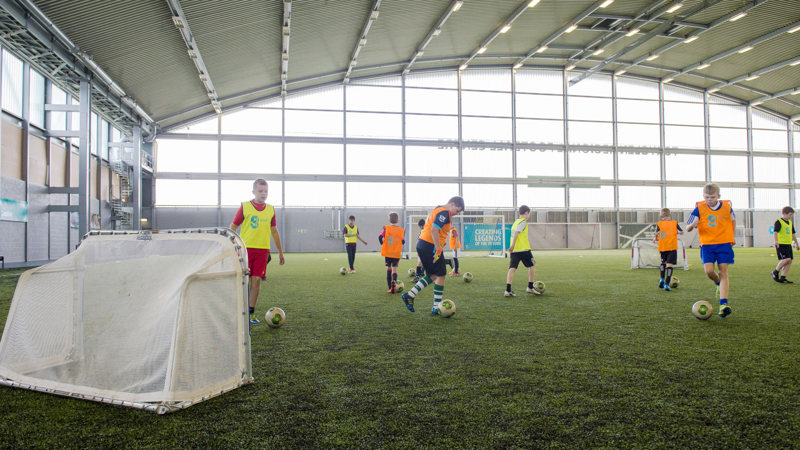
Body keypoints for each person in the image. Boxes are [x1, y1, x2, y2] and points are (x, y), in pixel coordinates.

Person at [230, 178, 285, 324]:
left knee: (256, 280)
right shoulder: (245, 207)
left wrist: (280, 251)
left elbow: (274, 231)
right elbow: (233, 227)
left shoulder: (270, 209)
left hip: (262, 251)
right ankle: (238, 311)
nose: (263, 193)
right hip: (245, 250)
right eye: (260, 191)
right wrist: (234, 245)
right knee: (243, 281)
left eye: (266, 191)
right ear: (253, 191)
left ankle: (251, 313)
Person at [402, 196, 465, 314]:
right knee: (440, 274)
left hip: (423, 244)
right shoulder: (445, 213)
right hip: (430, 246)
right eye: (457, 210)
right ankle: (431, 305)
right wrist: (438, 248)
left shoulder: (437, 209)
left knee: (435, 275)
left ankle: (413, 296)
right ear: (452, 204)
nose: (457, 213)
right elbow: (434, 230)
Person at [685, 183, 734, 318]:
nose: (709, 200)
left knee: (723, 270)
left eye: (712, 197)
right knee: (709, 272)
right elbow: (687, 227)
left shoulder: (727, 206)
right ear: (703, 196)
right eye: (707, 197)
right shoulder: (699, 208)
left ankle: (723, 305)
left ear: (718, 196)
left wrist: (732, 238)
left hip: (724, 243)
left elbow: (733, 220)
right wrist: (692, 225)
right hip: (707, 245)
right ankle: (718, 283)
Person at [505, 205, 541, 297]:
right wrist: (512, 246)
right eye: (529, 213)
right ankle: (530, 287)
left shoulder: (516, 222)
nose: (528, 215)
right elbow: (517, 233)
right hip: (523, 249)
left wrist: (512, 247)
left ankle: (508, 290)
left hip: (515, 250)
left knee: (512, 268)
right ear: (526, 213)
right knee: (532, 266)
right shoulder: (523, 222)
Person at [654, 208, 684, 291]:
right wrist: (676, 232)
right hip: (672, 247)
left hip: (662, 247)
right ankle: (667, 284)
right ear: (670, 215)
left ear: (661, 216)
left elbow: (656, 233)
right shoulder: (675, 223)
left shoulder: (659, 224)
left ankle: (662, 279)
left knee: (663, 262)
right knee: (669, 265)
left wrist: (656, 238)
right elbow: (681, 232)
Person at [771, 206, 799, 283]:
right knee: (787, 259)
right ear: (784, 213)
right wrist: (776, 242)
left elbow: (793, 234)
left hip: (788, 244)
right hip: (781, 244)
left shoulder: (790, 223)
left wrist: (796, 243)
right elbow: (775, 232)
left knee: (790, 261)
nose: (790, 216)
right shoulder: (779, 221)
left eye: (791, 215)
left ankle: (783, 277)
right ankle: (775, 271)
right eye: (790, 214)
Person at [379, 212, 405, 293]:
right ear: (398, 220)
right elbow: (403, 241)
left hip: (388, 252)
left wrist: (382, 244)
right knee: (394, 270)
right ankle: (394, 284)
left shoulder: (386, 228)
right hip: (396, 253)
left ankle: (390, 288)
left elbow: (380, 237)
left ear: (389, 220)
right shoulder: (401, 230)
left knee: (388, 269)